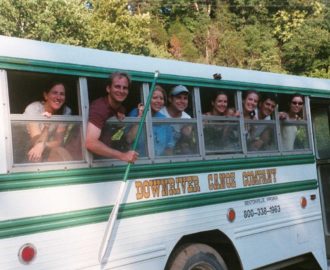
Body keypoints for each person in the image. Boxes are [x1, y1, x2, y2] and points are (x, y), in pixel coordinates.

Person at [85, 72, 138, 162]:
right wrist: (122, 155)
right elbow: (91, 143)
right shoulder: (100, 107)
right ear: (108, 88)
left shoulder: (120, 108)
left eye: (125, 88)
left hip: (102, 158)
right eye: (117, 86)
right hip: (83, 159)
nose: (121, 91)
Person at [23, 81, 72, 162]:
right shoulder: (33, 109)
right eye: (55, 93)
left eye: (62, 94)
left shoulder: (65, 111)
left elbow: (58, 141)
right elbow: (36, 141)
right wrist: (46, 126)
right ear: (46, 95)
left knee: (61, 152)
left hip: (43, 146)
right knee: (35, 156)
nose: (58, 97)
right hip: (24, 147)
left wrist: (43, 145)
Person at [126, 85, 174, 156]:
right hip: (138, 161)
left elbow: (169, 147)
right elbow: (129, 139)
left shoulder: (164, 119)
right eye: (154, 98)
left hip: (159, 162)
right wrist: (140, 117)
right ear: (146, 99)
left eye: (161, 98)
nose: (159, 101)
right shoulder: (135, 113)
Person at [159, 85, 195, 154]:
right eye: (178, 97)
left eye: (185, 98)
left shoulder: (187, 118)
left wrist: (187, 136)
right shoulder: (160, 113)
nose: (182, 101)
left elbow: (187, 144)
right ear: (170, 99)